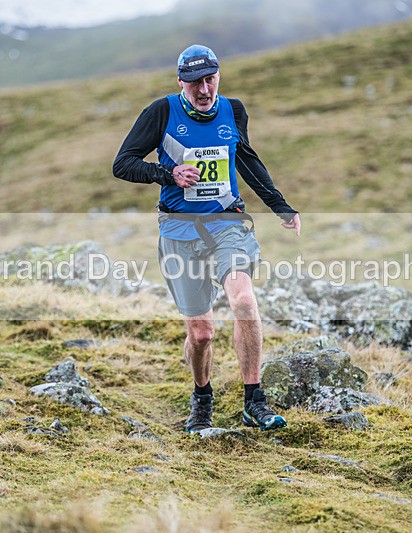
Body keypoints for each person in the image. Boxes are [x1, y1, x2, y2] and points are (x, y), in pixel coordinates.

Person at [113, 44, 301, 433]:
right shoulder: (161, 112)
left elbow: (246, 159)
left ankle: (254, 401)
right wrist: (168, 175)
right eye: (195, 82)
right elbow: (123, 164)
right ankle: (202, 397)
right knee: (201, 333)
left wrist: (280, 206)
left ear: (219, 76)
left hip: (226, 225)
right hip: (179, 231)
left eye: (210, 79)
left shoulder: (233, 110)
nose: (204, 89)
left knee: (244, 300)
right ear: (180, 81)